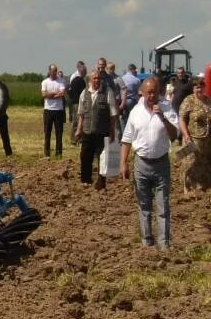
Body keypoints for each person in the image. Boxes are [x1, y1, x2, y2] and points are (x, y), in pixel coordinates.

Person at [121, 75, 183, 248]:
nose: (151, 96)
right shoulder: (135, 112)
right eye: (148, 92)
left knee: (163, 205)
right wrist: (123, 163)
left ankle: (164, 244)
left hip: (161, 163)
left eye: (154, 92)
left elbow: (174, 136)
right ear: (142, 92)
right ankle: (147, 242)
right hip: (141, 163)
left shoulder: (167, 108)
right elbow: (126, 139)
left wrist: (162, 117)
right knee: (144, 204)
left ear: (159, 93)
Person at [74, 69, 116, 187]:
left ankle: (101, 181)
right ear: (90, 80)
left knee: (102, 157)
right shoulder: (84, 93)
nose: (97, 80)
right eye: (95, 78)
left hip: (102, 131)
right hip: (87, 131)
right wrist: (79, 129)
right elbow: (81, 113)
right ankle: (86, 180)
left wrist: (112, 131)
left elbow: (113, 114)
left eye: (99, 78)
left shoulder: (107, 92)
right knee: (85, 155)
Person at [184, 73, 211, 196]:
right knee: (190, 163)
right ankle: (187, 188)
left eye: (201, 86)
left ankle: (203, 187)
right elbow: (181, 118)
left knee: (204, 163)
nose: (199, 89)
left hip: (207, 139)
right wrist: (185, 134)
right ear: (193, 88)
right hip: (192, 138)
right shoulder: (189, 100)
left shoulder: (208, 101)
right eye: (196, 87)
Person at [39, 65, 68, 156]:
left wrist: (50, 95)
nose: (54, 72)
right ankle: (46, 153)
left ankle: (58, 153)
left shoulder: (61, 81)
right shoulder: (45, 82)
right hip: (48, 110)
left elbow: (63, 93)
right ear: (49, 71)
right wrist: (55, 93)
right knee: (47, 133)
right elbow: (43, 95)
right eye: (53, 71)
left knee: (59, 133)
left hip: (59, 110)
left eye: (55, 71)